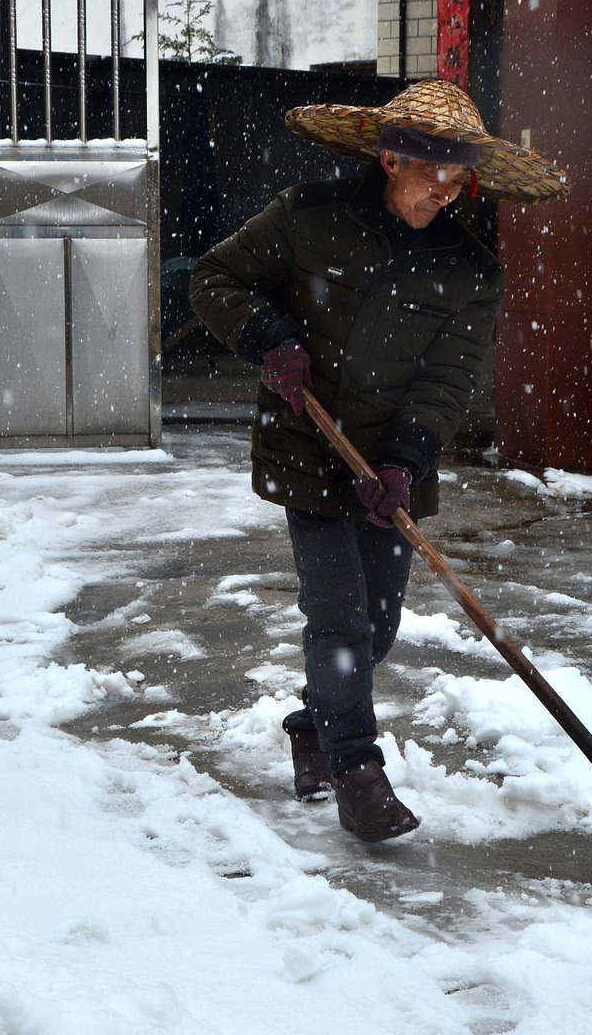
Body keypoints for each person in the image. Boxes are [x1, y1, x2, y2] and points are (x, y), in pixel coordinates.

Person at [189, 80, 566, 842]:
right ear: (392, 159)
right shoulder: (308, 219)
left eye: (461, 177)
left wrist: (406, 458)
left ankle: (311, 724)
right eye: (436, 173)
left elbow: (448, 378)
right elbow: (212, 280)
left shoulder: (469, 270)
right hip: (309, 446)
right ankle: (359, 775)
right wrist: (268, 338)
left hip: (393, 465)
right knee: (338, 618)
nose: (448, 191)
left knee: (380, 624)